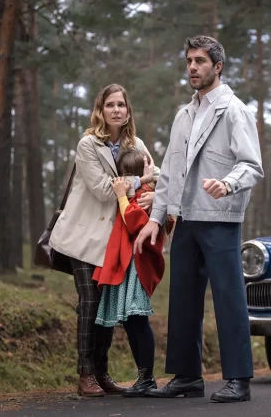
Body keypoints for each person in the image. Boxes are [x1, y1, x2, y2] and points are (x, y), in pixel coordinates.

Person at [135, 35, 264, 403]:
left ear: (217, 66)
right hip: (186, 217)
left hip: (221, 217)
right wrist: (156, 219)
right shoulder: (184, 114)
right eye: (189, 61)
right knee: (183, 299)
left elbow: (252, 165)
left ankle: (239, 379)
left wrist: (227, 184)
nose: (193, 67)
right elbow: (172, 172)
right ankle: (187, 377)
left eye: (200, 61)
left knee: (228, 298)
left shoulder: (234, 109)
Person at [49, 83, 159, 397]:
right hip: (84, 238)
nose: (116, 110)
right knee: (89, 303)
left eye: (121, 105)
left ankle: (102, 372)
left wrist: (157, 190)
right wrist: (143, 179)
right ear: (101, 109)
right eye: (110, 104)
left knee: (106, 306)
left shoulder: (135, 143)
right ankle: (85, 375)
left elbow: (157, 173)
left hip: (115, 242)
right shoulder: (87, 144)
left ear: (127, 110)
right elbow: (101, 189)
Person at [92, 149, 169, 397]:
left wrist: (123, 196)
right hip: (126, 265)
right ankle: (143, 376)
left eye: (128, 173)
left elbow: (135, 222)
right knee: (130, 321)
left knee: (138, 320)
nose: (123, 178)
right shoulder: (142, 190)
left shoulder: (146, 194)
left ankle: (147, 378)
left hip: (137, 264)